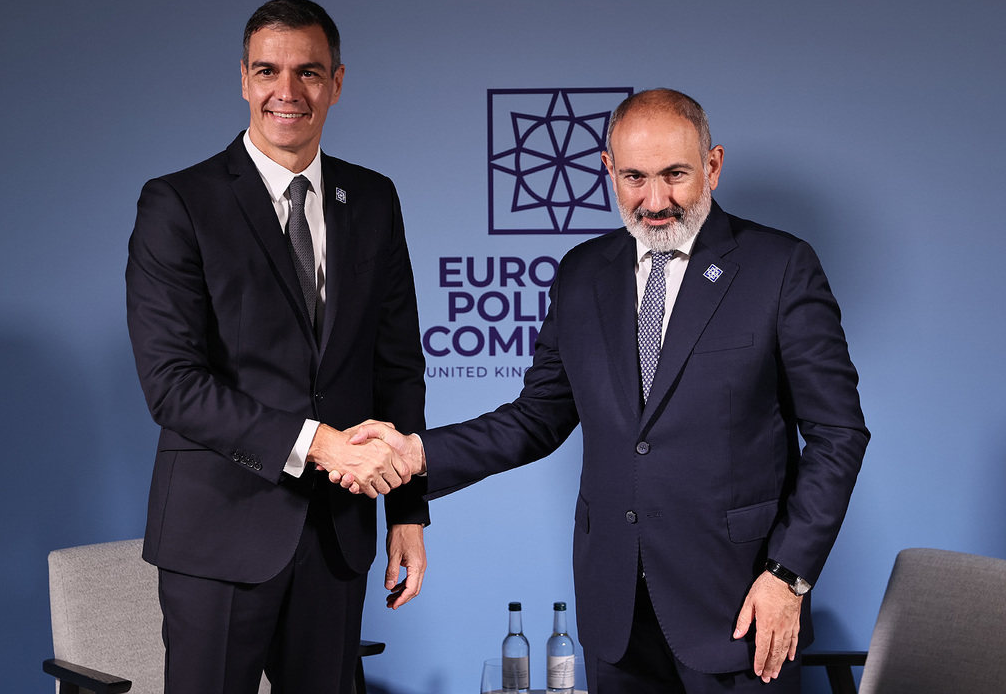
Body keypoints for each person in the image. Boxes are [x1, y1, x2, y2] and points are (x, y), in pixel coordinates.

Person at [340, 89, 869, 693]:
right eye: (635, 178)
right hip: (615, 611)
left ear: (713, 165)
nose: (655, 201)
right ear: (608, 170)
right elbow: (537, 417)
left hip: (742, 602)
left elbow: (838, 435)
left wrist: (788, 576)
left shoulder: (780, 267)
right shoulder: (582, 273)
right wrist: (416, 454)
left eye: (676, 175)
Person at [125, 0, 428, 694]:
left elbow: (397, 368)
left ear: (337, 83)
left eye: (308, 72)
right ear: (243, 79)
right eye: (267, 71)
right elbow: (172, 384)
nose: (286, 91)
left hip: (338, 534)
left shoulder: (374, 200)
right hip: (218, 532)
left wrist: (407, 511)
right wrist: (319, 444)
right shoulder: (178, 203)